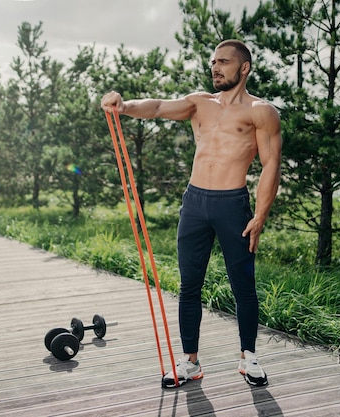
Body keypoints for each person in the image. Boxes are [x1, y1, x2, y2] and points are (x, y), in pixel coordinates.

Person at [101, 39, 282, 388]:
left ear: (243, 68)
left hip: (233, 204)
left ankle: (249, 357)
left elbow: (271, 165)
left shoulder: (261, 112)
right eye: (213, 61)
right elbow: (155, 107)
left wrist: (260, 216)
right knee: (189, 286)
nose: (215, 67)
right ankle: (190, 363)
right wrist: (124, 106)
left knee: (243, 285)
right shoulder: (200, 103)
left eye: (224, 62)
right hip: (195, 203)